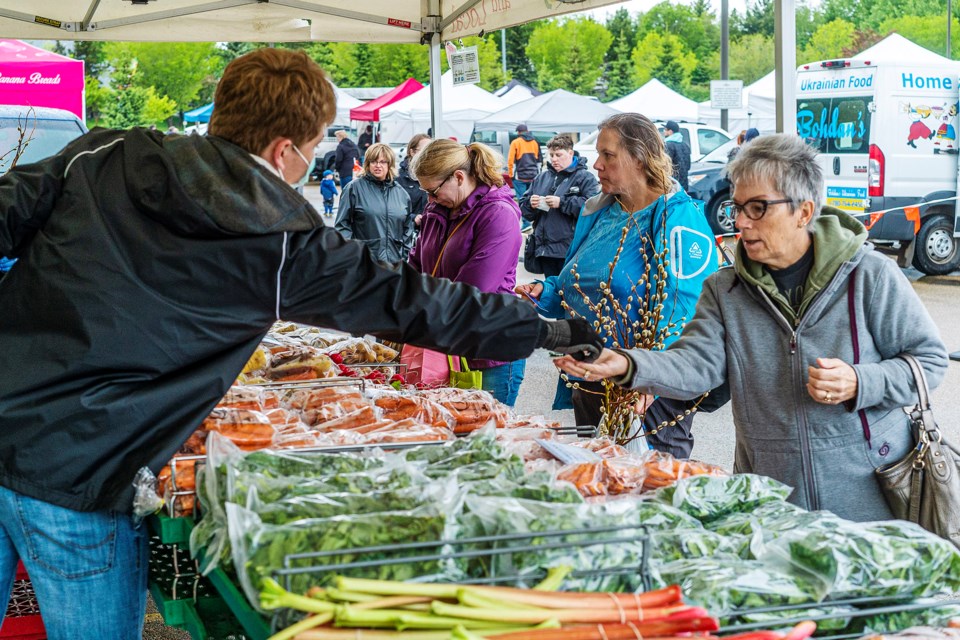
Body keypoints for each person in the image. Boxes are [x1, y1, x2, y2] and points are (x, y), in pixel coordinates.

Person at [0, 48, 600, 638]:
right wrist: (547, 331)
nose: (309, 164)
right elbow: (415, 304)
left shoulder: (106, 152)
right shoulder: (281, 239)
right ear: (284, 150)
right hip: (79, 469)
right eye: (312, 149)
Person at [556, 133, 950, 522]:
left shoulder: (869, 275)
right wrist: (626, 365)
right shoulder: (725, 290)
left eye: (758, 208)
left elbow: (929, 362)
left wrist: (860, 382)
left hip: (870, 492)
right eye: (738, 206)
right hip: (770, 495)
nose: (741, 221)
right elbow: (697, 367)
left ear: (804, 212)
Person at [516, 113, 718, 457]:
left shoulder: (677, 219)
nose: (597, 164)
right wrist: (545, 293)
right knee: (597, 485)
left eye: (608, 155)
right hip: (591, 379)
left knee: (647, 493)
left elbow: (686, 311)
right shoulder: (602, 211)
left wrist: (650, 377)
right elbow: (577, 282)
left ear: (640, 158)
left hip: (647, 394)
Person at [409, 140, 528, 406]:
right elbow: (416, 265)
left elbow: (473, 290)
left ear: (459, 177)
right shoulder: (437, 210)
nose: (429, 199)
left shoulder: (498, 214)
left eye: (433, 190)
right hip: (447, 343)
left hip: (490, 351)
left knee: (486, 436)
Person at [519, 135, 600, 277]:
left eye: (558, 155)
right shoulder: (541, 177)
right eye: (551, 155)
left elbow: (592, 208)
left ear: (570, 153)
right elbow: (524, 211)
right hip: (544, 249)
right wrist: (530, 204)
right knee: (550, 291)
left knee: (568, 293)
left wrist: (561, 203)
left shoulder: (585, 178)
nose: (554, 159)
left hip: (570, 250)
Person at [335, 142, 414, 264]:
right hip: (365, 264)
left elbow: (407, 229)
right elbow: (342, 226)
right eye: (373, 161)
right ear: (367, 164)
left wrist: (404, 258)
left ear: (390, 165)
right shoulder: (353, 189)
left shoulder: (401, 194)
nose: (378, 166)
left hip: (394, 265)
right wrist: (352, 256)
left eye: (383, 162)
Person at [396, 133, 431, 228]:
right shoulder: (398, 178)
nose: (428, 154)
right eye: (424, 150)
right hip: (408, 232)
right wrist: (413, 218)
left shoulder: (434, 176)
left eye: (430, 151)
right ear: (412, 152)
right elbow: (393, 209)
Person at [507, 123, 542, 201]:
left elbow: (511, 160)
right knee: (532, 199)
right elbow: (539, 160)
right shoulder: (535, 142)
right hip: (533, 176)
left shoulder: (515, 142)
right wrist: (538, 175)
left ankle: (523, 213)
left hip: (519, 177)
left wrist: (511, 175)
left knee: (522, 199)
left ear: (518, 132)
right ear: (527, 131)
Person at [662, 120, 691, 191]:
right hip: (684, 185)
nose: (664, 131)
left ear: (670, 131)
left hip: (672, 185)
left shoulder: (668, 145)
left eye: (665, 130)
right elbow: (688, 166)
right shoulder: (685, 145)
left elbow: (665, 166)